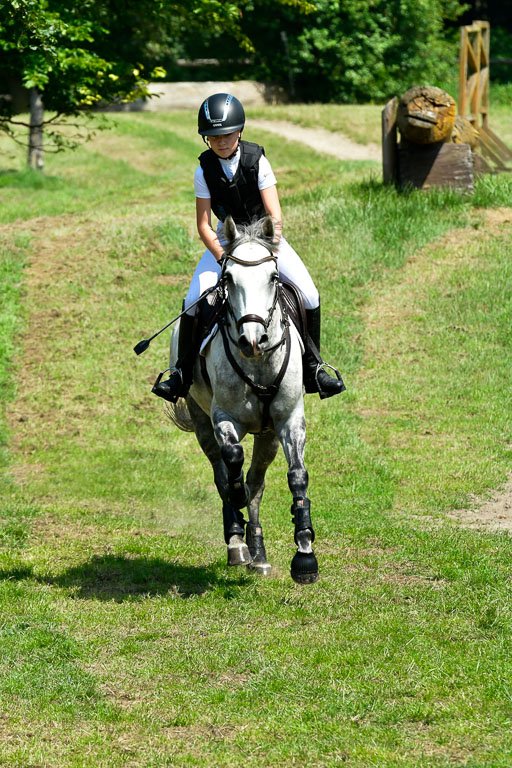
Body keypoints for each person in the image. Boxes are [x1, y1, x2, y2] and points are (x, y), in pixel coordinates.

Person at [152, 92, 344, 403]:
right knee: (193, 299)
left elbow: (274, 216)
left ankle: (314, 368)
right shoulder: (204, 170)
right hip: (226, 241)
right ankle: (181, 374)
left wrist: (271, 250)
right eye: (214, 137)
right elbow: (203, 225)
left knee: (309, 294)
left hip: (265, 238)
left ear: (239, 131)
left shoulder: (258, 161)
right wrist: (223, 258)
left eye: (227, 135)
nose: (221, 142)